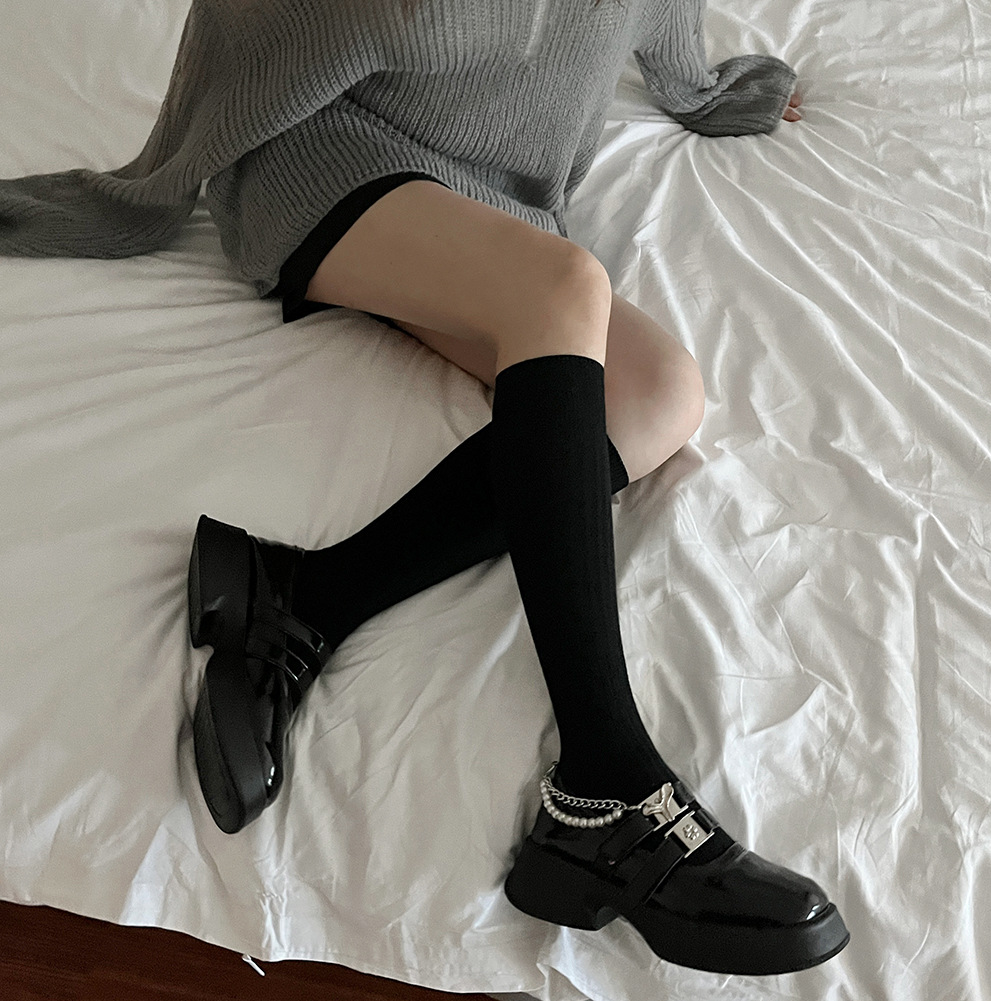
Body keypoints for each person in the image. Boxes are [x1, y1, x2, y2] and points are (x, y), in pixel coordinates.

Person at [0, 0, 844, 977]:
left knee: (659, 395)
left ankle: (307, 594)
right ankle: (604, 783)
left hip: (497, 197)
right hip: (332, 160)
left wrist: (696, 89)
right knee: (565, 290)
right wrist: (154, 182)